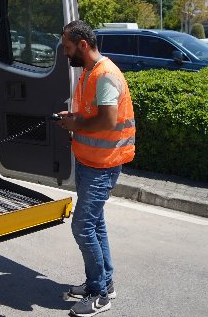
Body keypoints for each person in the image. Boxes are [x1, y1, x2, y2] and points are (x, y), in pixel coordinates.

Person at [55, 20, 135, 317]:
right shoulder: (89, 71)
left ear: (83, 45)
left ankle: (99, 294)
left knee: (82, 226)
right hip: (91, 161)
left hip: (103, 165)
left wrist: (76, 123)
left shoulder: (104, 75)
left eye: (67, 47)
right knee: (95, 223)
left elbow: (108, 120)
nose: (65, 53)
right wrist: (73, 117)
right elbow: (92, 114)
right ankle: (102, 282)